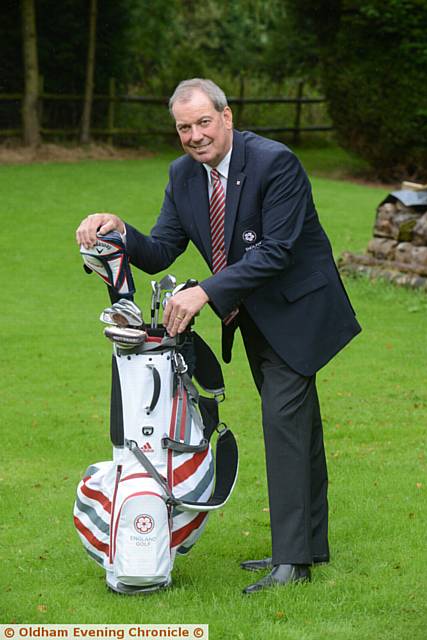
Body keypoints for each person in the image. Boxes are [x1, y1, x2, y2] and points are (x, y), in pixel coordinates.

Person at [76, 78, 361, 595]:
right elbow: (161, 248)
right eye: (184, 127)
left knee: (284, 426)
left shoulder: (276, 163)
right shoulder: (184, 175)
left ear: (227, 118)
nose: (195, 135)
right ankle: (308, 548)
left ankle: (293, 563)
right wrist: (118, 228)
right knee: (298, 429)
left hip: (299, 312)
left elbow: (276, 251)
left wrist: (204, 292)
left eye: (203, 122)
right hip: (255, 315)